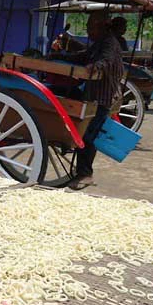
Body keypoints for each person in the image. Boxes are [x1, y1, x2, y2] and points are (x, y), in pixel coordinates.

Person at [51, 11, 123, 188]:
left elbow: (105, 61)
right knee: (57, 93)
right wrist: (59, 56)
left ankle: (85, 174)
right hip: (91, 94)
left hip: (102, 97)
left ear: (100, 27)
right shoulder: (99, 42)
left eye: (90, 27)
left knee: (89, 135)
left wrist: (94, 66)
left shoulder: (109, 43)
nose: (88, 31)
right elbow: (83, 55)